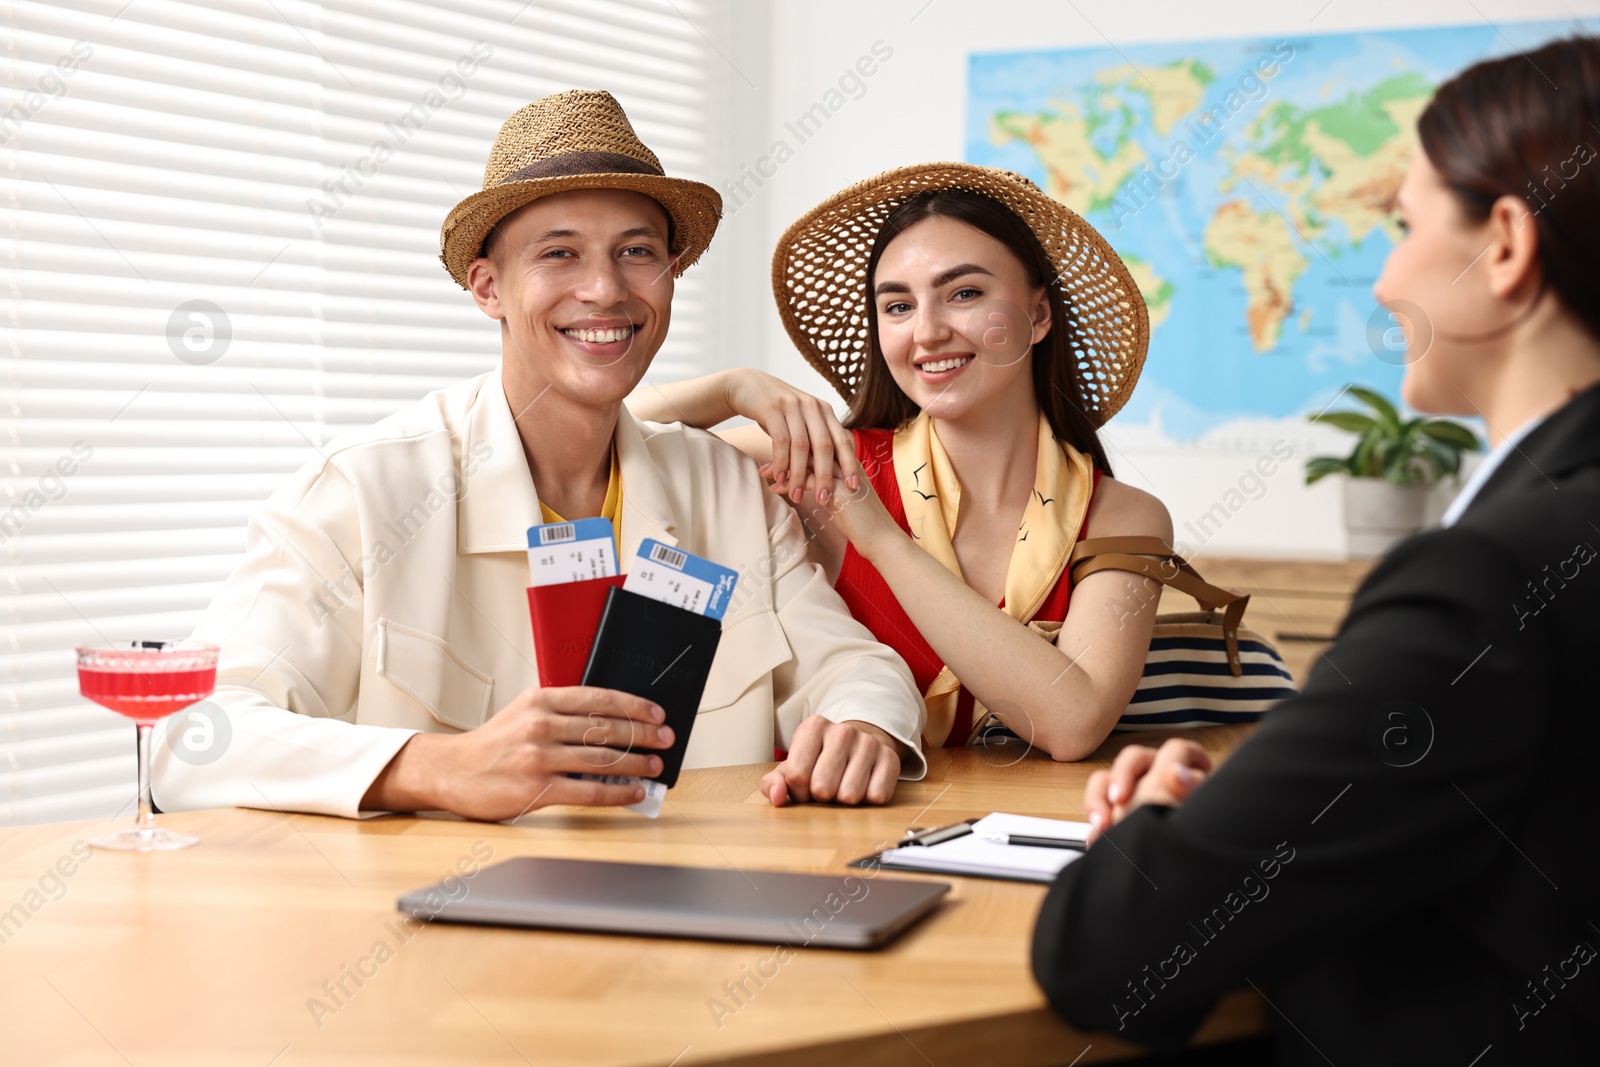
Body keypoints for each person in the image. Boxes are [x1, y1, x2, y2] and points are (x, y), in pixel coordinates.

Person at [1031, 37, 1600, 1065]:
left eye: (1400, 224)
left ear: (1505, 246)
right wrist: (1277, 821)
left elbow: (1108, 948)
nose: (1383, 278)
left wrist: (1160, 837)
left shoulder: (1487, 583)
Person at [152, 90, 927, 821]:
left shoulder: (729, 489)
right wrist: (439, 767)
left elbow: (857, 669)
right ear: (487, 287)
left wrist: (863, 724)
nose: (605, 289)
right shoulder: (366, 488)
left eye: (636, 252)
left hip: (688, 921)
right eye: (559, 254)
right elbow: (190, 733)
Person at [629, 164, 1174, 801]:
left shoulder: (1121, 515)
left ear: (1040, 313)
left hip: (999, 837)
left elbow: (1073, 721)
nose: (927, 331)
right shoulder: (825, 462)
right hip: (804, 827)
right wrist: (733, 387)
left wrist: (878, 537)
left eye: (964, 294)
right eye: (897, 306)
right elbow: (593, 443)